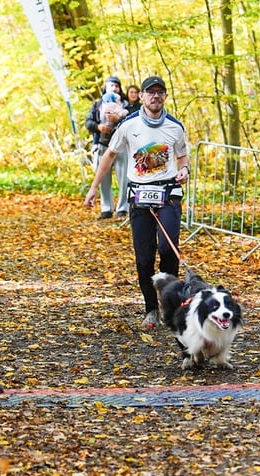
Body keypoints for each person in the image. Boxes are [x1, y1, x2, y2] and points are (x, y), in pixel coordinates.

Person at [84, 76, 190, 329]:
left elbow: (182, 156)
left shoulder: (175, 127)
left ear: (165, 96)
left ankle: (170, 304)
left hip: (168, 194)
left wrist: (184, 170)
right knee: (144, 258)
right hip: (140, 196)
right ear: (141, 96)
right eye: (150, 92)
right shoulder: (128, 124)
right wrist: (94, 187)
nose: (155, 96)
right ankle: (151, 309)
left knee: (168, 249)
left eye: (160, 92)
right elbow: (109, 155)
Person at [84, 76, 130, 219]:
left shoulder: (126, 104)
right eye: (111, 85)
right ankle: (106, 208)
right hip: (103, 143)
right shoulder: (97, 105)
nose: (114, 88)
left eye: (117, 86)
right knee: (103, 177)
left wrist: (119, 119)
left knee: (124, 178)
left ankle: (123, 208)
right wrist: (98, 127)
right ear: (106, 87)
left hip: (122, 145)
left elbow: (133, 120)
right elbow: (88, 122)